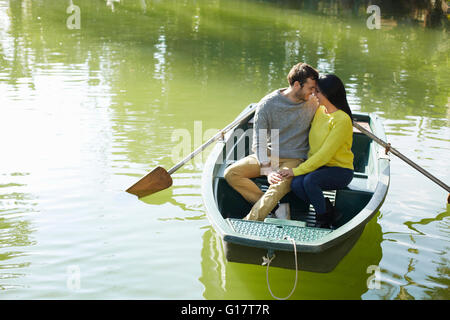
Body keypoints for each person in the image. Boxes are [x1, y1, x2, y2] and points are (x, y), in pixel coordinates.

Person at [224, 62, 319, 221]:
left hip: (295, 158)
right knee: (231, 173)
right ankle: (276, 208)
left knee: (277, 187)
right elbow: (259, 142)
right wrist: (267, 168)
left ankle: (250, 222)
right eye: (310, 88)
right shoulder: (267, 105)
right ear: (297, 85)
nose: (314, 92)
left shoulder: (313, 102)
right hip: (269, 154)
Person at [277, 74, 354, 229]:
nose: (314, 94)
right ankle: (328, 209)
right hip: (319, 167)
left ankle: (324, 220)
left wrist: (296, 170)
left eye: (317, 91)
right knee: (297, 183)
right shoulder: (320, 110)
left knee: (310, 181)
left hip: (340, 170)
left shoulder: (342, 120)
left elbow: (324, 155)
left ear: (328, 93)